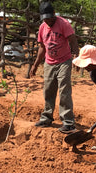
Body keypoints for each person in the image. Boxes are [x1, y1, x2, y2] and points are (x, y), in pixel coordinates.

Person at [29, 1, 79, 134]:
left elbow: (73, 40)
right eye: (45, 18)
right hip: (49, 63)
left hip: (64, 61)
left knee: (64, 91)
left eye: (50, 17)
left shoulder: (63, 24)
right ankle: (46, 118)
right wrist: (35, 65)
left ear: (54, 14)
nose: (48, 20)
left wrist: (76, 58)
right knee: (48, 90)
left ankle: (68, 122)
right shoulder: (42, 27)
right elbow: (42, 48)